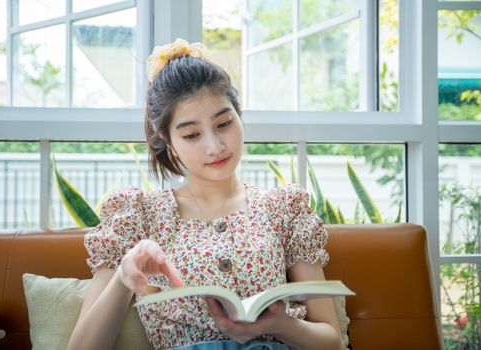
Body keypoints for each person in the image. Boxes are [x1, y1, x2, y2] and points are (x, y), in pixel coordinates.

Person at [67, 38, 344, 350]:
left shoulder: (283, 209)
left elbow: (332, 342)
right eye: (191, 135)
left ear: (239, 115)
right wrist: (123, 277)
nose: (215, 147)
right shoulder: (138, 217)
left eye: (224, 123)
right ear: (168, 140)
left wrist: (282, 324)